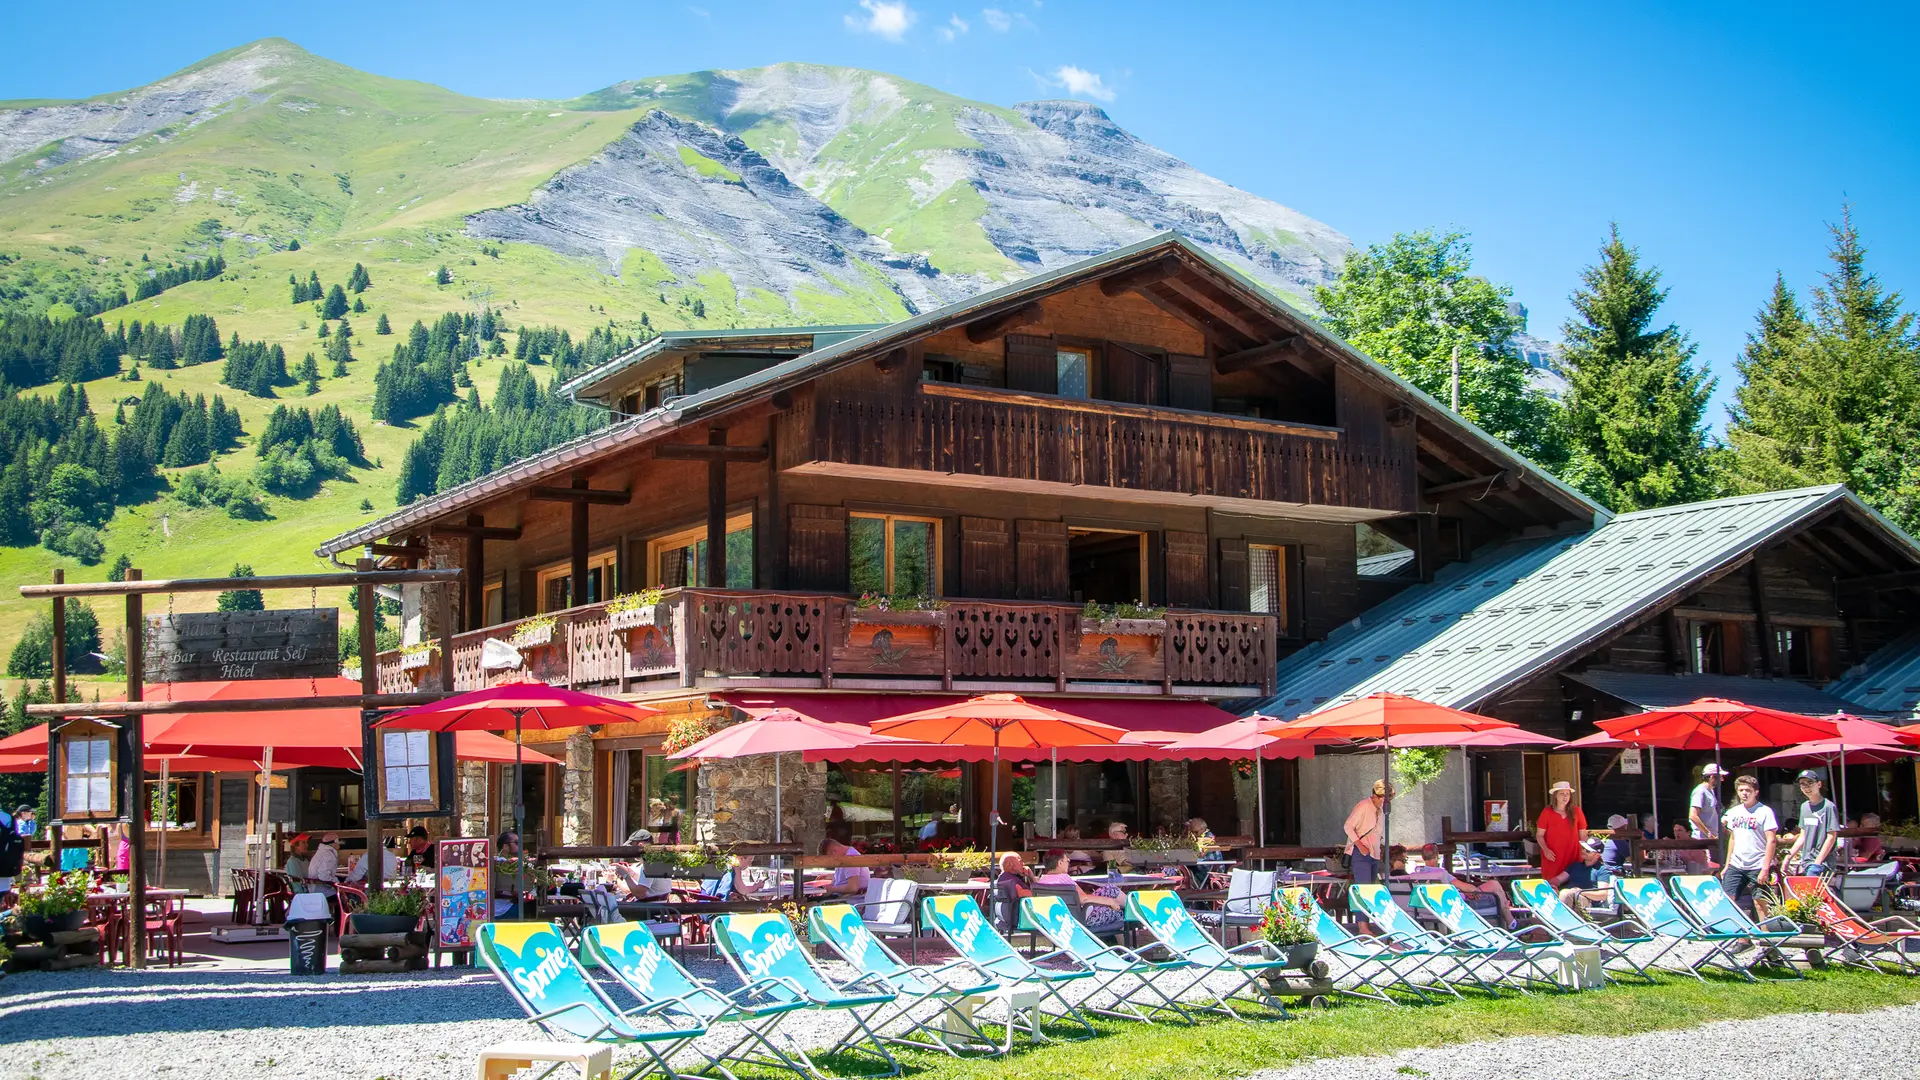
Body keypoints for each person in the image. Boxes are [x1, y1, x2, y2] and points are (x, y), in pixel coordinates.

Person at [1416, 843, 1514, 927]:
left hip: (1435, 906)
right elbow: (1466, 887)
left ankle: (1511, 922)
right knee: (1495, 886)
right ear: (1437, 855)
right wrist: (1474, 891)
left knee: (1494, 890)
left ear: (1423, 857)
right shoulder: (1441, 874)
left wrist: (1465, 892)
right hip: (1460, 906)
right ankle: (1512, 923)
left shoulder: (1418, 873)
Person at [1720, 774, 1778, 915]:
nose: (1744, 794)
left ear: (1755, 792)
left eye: (1748, 790)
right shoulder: (1734, 812)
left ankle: (1766, 936)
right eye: (1741, 790)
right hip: (1737, 863)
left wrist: (1765, 868)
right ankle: (1740, 936)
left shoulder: (1765, 812)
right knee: (1728, 900)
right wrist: (1727, 865)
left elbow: (1771, 840)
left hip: (1758, 863)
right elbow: (1733, 839)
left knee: (1761, 903)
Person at [1035, 849, 1126, 934]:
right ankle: (1134, 913)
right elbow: (1084, 899)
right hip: (1082, 918)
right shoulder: (1064, 878)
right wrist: (1110, 902)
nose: (1069, 863)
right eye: (1067, 861)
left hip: (1059, 918)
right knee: (1123, 913)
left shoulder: (1042, 880)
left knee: (1110, 889)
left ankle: (1132, 908)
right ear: (1060, 863)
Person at [1784, 769, 1840, 875]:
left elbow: (1831, 837)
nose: (1806, 787)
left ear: (1819, 784)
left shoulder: (1828, 806)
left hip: (1822, 863)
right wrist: (1788, 857)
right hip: (1806, 861)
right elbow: (1803, 836)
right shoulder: (1804, 807)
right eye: (1803, 784)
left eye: (1810, 783)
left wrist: (1818, 862)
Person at [1536, 781, 1588, 888]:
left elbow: (1583, 834)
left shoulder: (1576, 811)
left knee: (1573, 883)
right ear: (1555, 796)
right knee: (1552, 884)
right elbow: (1539, 835)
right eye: (1562, 794)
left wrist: (1586, 850)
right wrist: (1545, 849)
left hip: (1573, 854)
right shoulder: (1547, 812)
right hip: (1553, 855)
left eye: (1567, 794)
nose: (1565, 797)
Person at [1344, 780, 1390, 884]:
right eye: (1383, 797)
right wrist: (1360, 846)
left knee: (1370, 890)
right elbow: (1348, 826)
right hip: (1362, 854)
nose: (1385, 801)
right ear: (1376, 795)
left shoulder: (1382, 810)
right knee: (1365, 889)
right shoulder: (1364, 806)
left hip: (1375, 854)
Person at [1689, 763, 1730, 850]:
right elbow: (1693, 815)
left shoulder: (1710, 791)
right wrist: (1708, 833)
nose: (1722, 779)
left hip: (1710, 839)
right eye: (1720, 776)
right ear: (1712, 777)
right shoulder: (1700, 791)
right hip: (1702, 840)